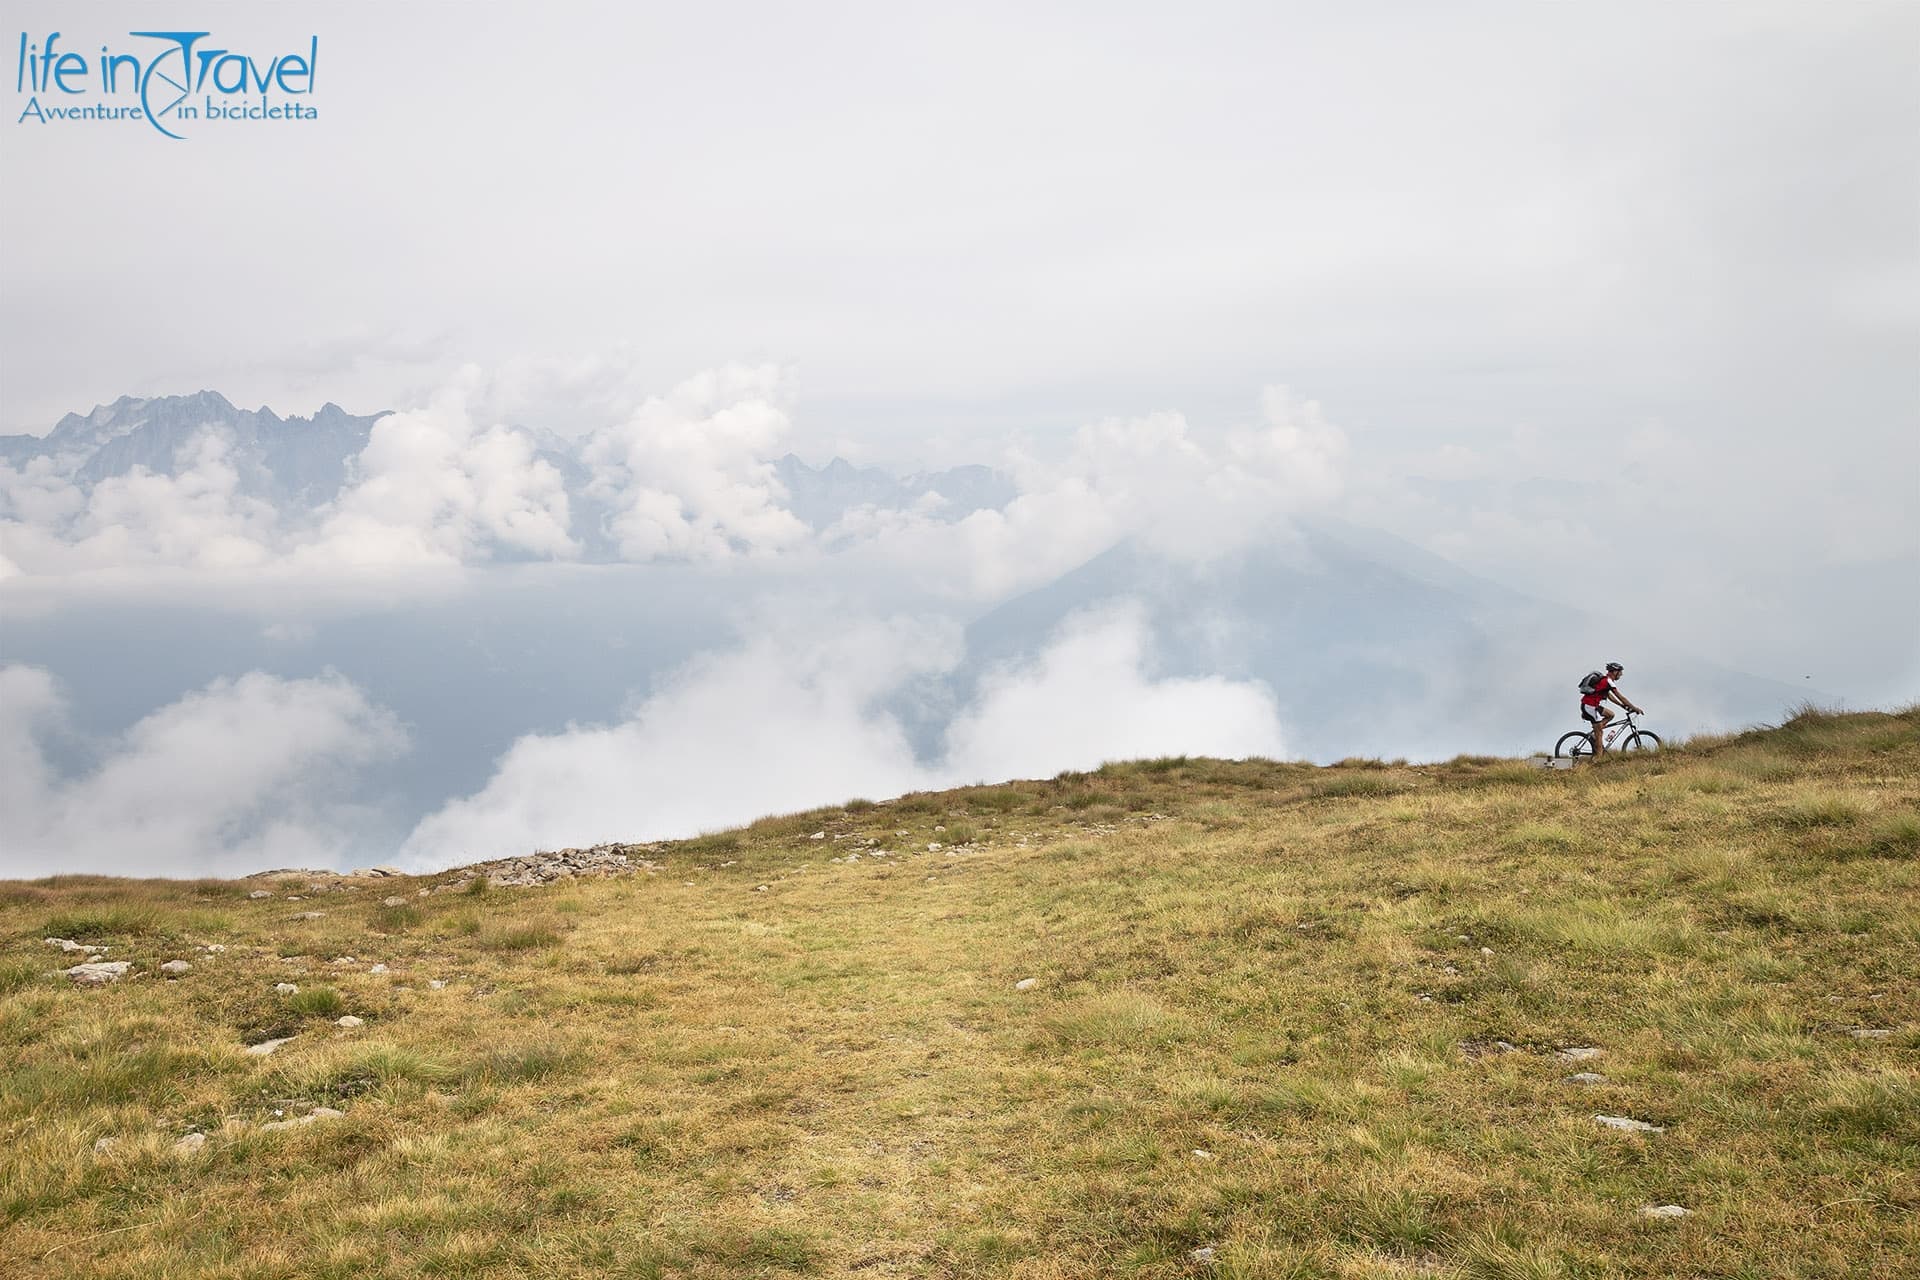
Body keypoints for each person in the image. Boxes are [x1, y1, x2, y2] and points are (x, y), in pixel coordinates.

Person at [1581, 662, 1643, 756]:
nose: (1621, 674)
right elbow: (1621, 697)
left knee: (1610, 715)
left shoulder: (1605, 682)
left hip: (1592, 706)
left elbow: (1610, 697)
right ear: (1614, 672)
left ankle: (1597, 729)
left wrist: (1622, 706)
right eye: (1620, 672)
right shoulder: (1608, 681)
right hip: (1590, 707)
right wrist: (1634, 708)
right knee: (1599, 734)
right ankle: (1598, 758)